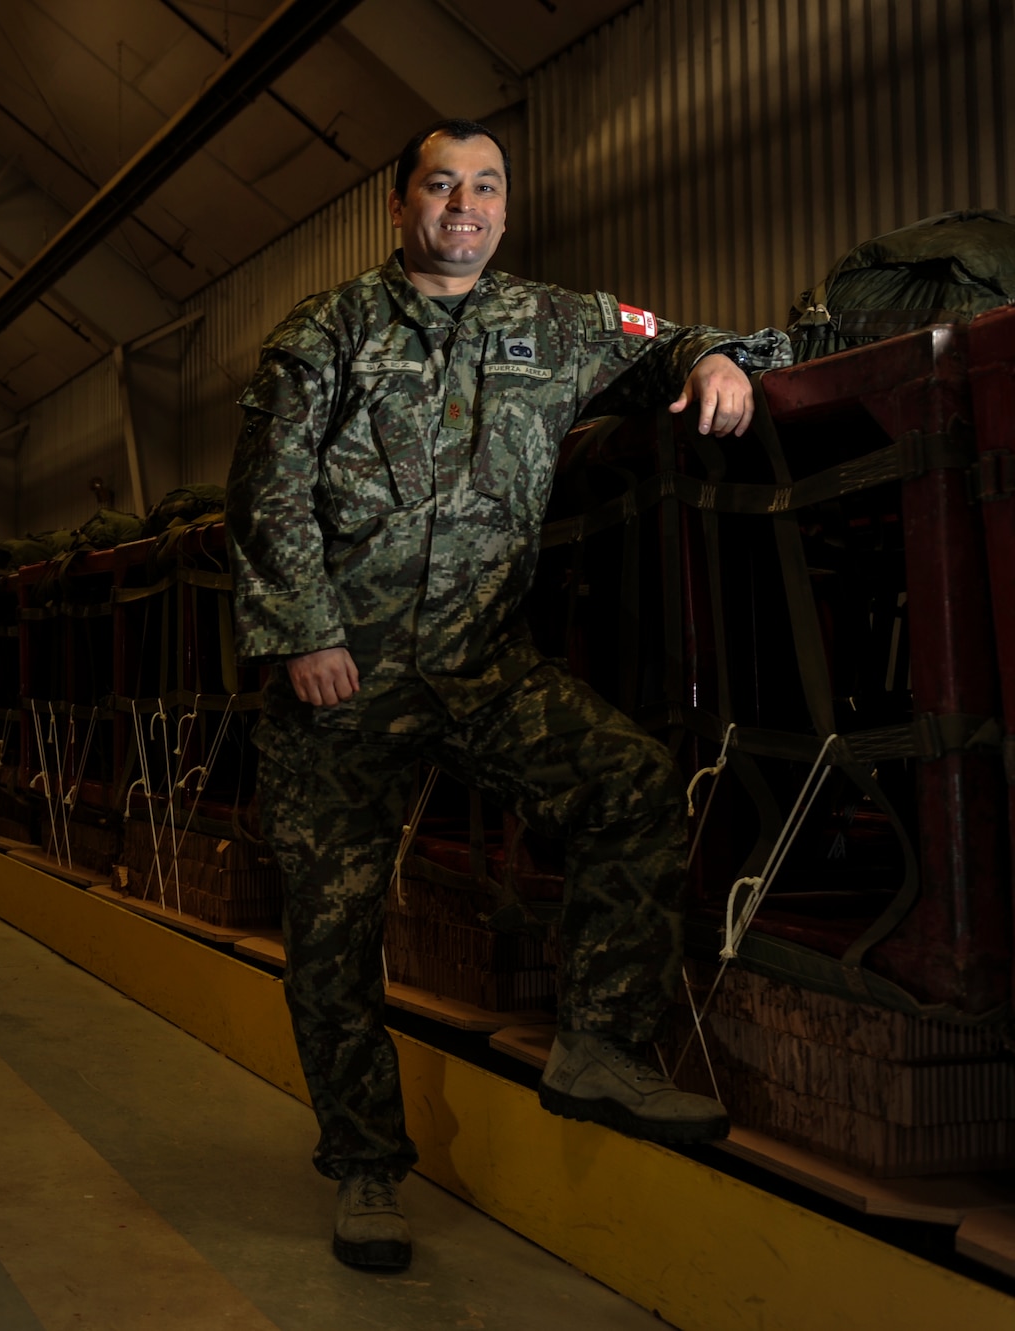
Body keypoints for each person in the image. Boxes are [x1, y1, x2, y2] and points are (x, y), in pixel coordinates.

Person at [224, 119, 791, 1274]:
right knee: (330, 933)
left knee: (629, 782)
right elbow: (265, 491)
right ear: (400, 205)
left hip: (480, 661)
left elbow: (672, 332)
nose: (464, 207)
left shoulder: (558, 322)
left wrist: (714, 360)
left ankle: (598, 1042)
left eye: (484, 187)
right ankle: (367, 1166)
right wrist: (303, 633)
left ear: (504, 205)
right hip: (342, 680)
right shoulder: (323, 332)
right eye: (440, 185)